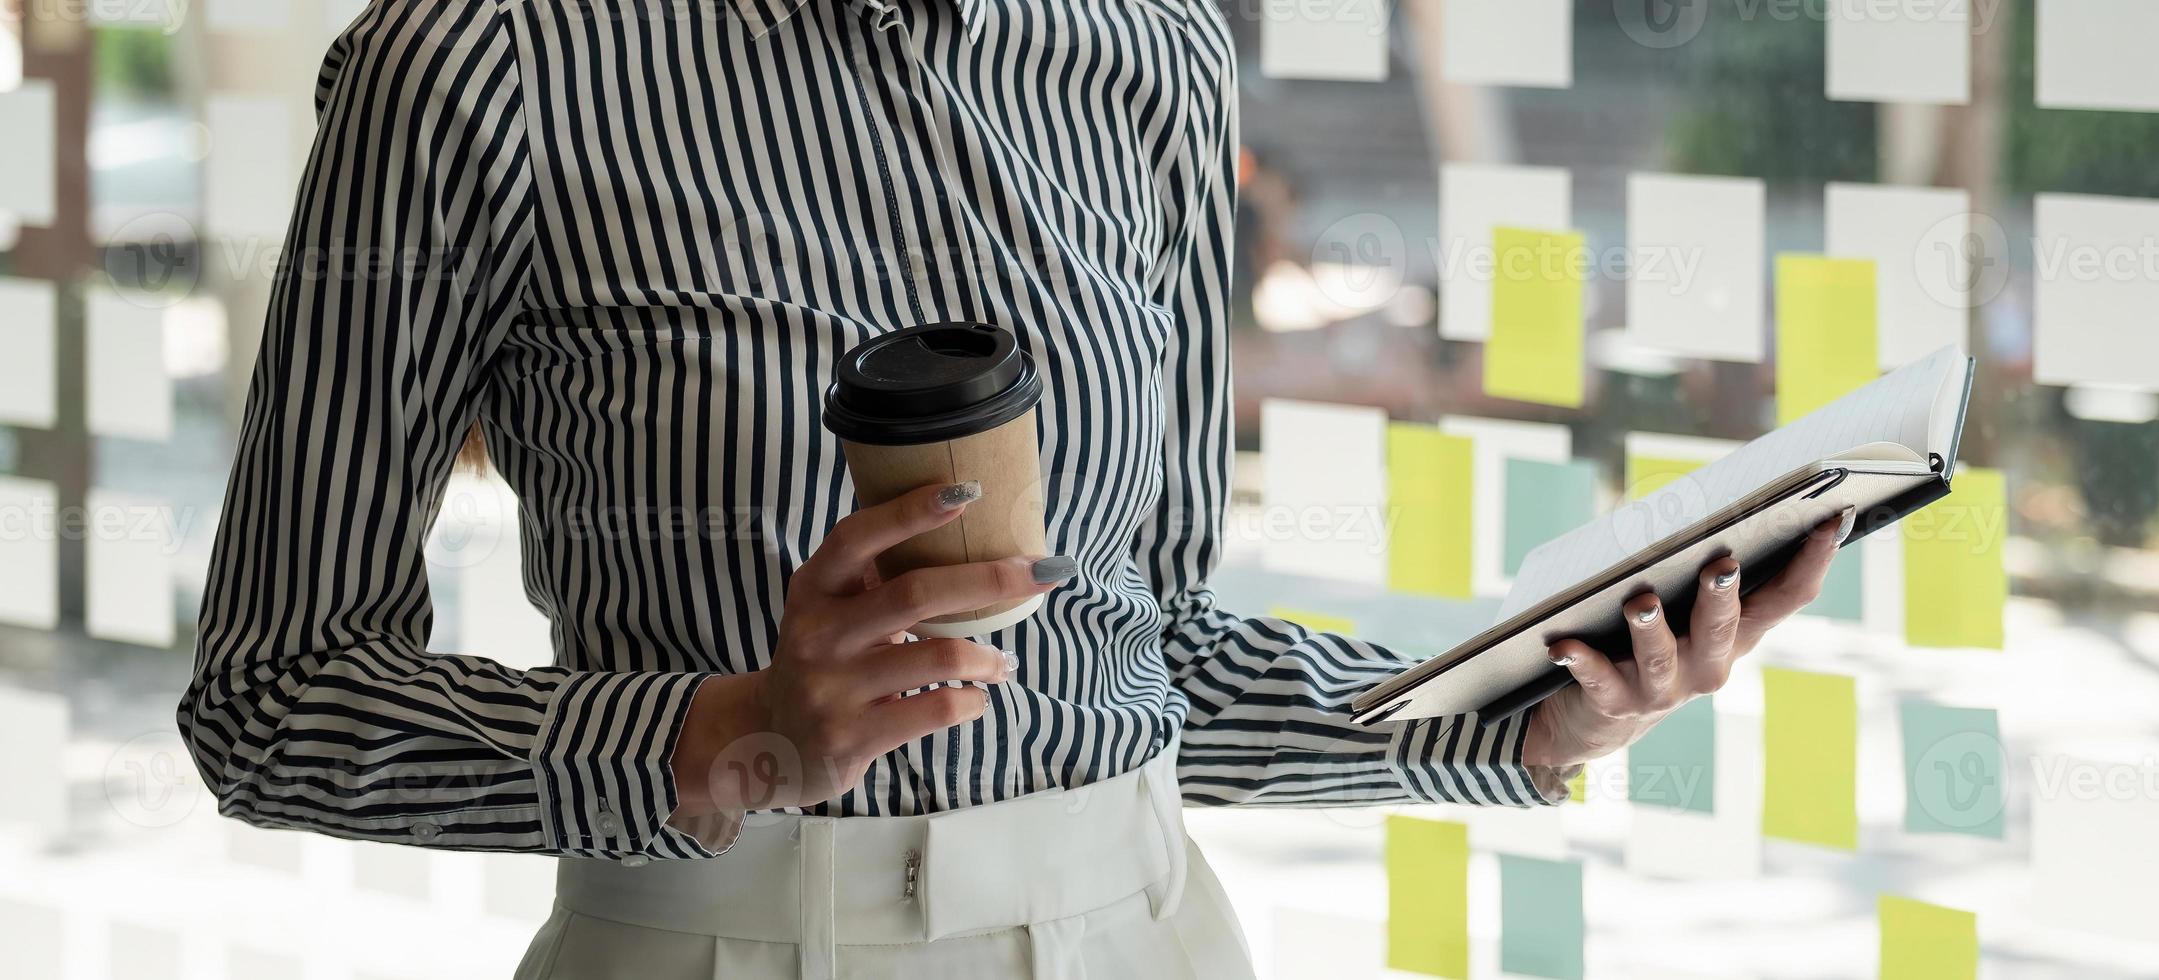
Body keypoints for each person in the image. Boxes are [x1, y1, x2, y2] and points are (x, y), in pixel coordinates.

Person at [175, 1, 1844, 977]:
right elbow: (272, 700)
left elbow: (1144, 648)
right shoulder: (475, 61)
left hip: (1149, 936)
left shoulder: (1148, 46)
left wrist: (1521, 720)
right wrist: (732, 729)